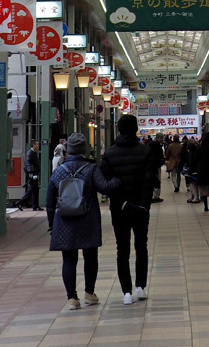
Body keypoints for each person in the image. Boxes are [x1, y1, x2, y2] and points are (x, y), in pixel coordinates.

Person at [46, 132, 122, 310]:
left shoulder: (58, 172)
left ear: (68, 151)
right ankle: (89, 293)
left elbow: (49, 201)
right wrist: (119, 180)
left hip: (64, 220)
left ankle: (72, 298)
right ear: (83, 149)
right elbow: (104, 187)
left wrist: (52, 224)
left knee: (69, 259)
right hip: (87, 218)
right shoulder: (91, 168)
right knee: (90, 257)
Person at [99, 114, 158, 305]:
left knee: (122, 249)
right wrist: (143, 204)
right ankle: (140, 287)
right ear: (136, 129)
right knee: (141, 246)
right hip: (141, 209)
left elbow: (106, 183)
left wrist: (122, 201)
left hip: (120, 208)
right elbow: (149, 181)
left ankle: (126, 292)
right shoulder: (145, 152)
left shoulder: (109, 153)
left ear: (118, 129)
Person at [18, 139, 42, 210]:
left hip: (34, 173)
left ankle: (35, 205)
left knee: (34, 189)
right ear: (33, 145)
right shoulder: (30, 153)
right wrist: (31, 172)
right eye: (37, 144)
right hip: (32, 174)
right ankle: (21, 202)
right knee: (32, 189)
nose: (38, 145)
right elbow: (27, 163)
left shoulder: (34, 153)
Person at [149, 133, 165, 203]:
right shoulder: (156, 145)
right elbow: (157, 156)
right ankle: (155, 196)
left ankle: (155, 196)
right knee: (157, 180)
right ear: (158, 138)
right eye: (161, 138)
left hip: (153, 165)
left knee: (156, 180)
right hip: (155, 166)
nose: (162, 139)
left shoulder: (152, 145)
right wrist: (162, 161)